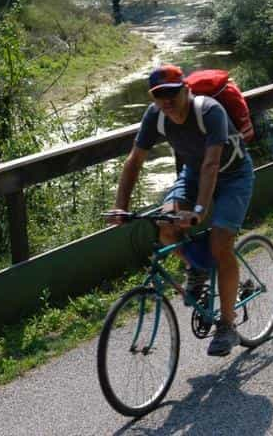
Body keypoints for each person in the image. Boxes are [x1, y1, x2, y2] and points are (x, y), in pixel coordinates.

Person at [108, 64, 255, 357]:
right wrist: (120, 207)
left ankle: (227, 326)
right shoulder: (155, 117)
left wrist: (199, 211)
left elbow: (212, 164)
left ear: (186, 90)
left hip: (233, 175)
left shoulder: (209, 111)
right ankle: (198, 268)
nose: (167, 103)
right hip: (193, 175)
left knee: (220, 243)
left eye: (172, 94)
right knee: (165, 225)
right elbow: (134, 161)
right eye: (159, 96)